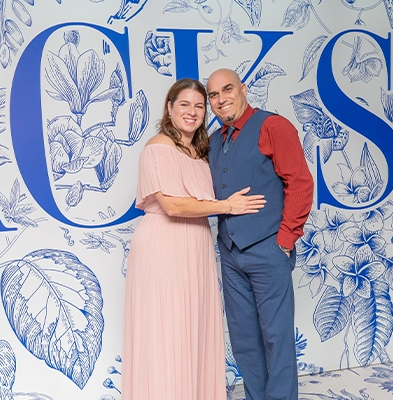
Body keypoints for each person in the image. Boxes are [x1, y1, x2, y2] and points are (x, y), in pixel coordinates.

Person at [121, 78, 266, 400]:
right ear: (169, 108)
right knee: (166, 329)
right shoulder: (157, 147)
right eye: (184, 104)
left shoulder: (201, 152)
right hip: (164, 244)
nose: (192, 111)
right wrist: (228, 206)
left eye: (199, 106)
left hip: (196, 244)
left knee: (192, 328)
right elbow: (172, 204)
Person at [206, 68, 314, 400]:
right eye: (213, 95)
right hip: (230, 252)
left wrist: (285, 240)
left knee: (276, 336)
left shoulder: (273, 126)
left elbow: (299, 182)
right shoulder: (213, 141)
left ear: (243, 88)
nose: (221, 98)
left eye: (227, 89)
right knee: (243, 337)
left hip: (268, 248)